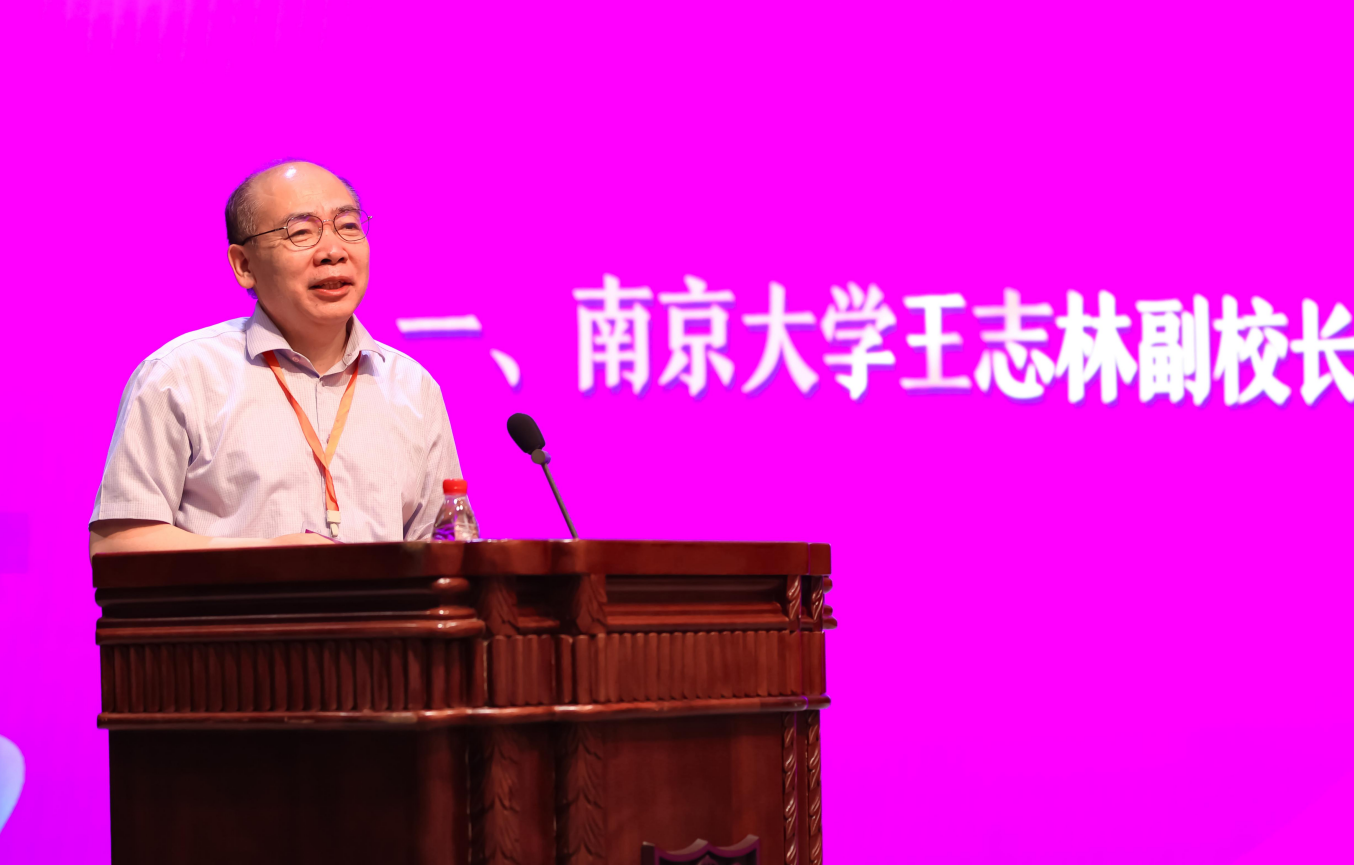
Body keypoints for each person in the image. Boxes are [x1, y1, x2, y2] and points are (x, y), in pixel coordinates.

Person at [88, 161, 461, 555]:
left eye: (348, 226)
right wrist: (267, 559)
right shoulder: (180, 375)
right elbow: (117, 546)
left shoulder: (413, 387)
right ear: (244, 265)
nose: (333, 252)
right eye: (301, 232)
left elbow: (445, 553)